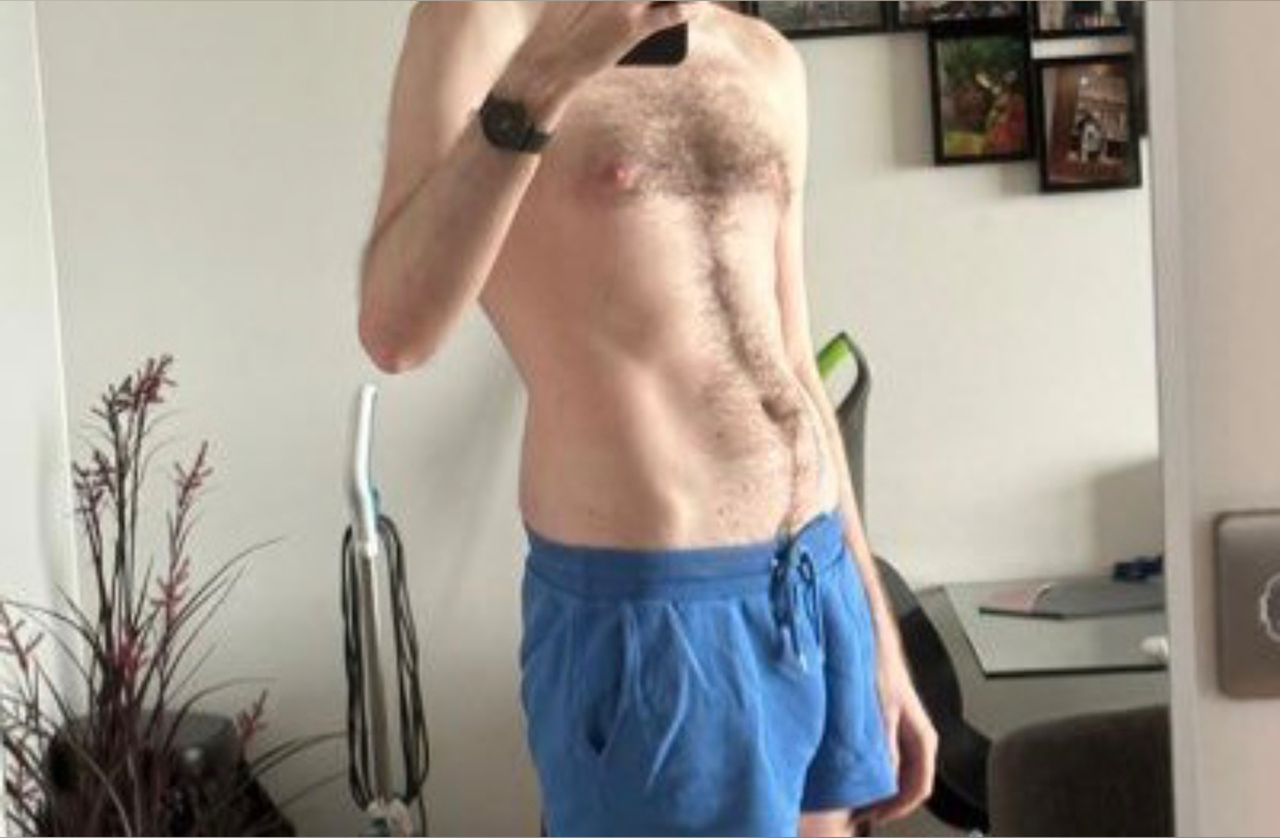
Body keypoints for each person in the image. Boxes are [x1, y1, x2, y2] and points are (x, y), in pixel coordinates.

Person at [357, 2, 937, 835]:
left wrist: (878, 634)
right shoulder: (482, 23)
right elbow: (395, 332)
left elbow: (795, 357)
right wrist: (548, 77)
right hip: (658, 615)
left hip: (816, 584)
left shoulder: (767, 59)